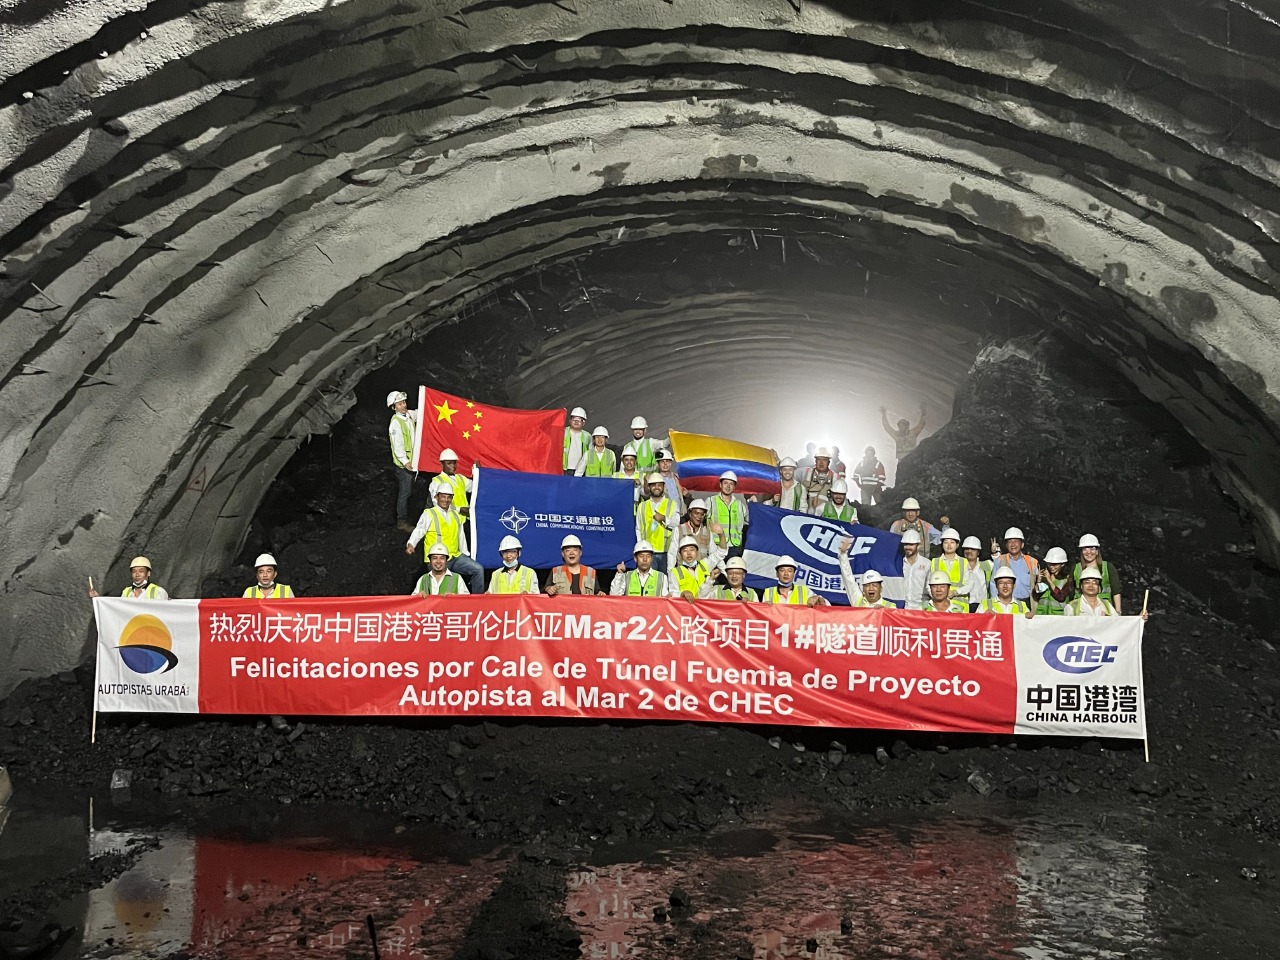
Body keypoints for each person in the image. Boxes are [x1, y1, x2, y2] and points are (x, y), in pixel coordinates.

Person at [405, 481, 485, 593]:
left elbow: (460, 536)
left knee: (478, 570)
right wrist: (411, 543)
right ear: (437, 497)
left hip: (454, 556)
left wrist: (465, 554)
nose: (446, 500)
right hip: (436, 558)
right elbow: (420, 529)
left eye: (449, 497)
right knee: (438, 587)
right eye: (443, 496)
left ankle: (478, 603)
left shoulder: (456, 515)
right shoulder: (429, 513)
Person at [387, 390, 418, 532]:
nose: (403, 405)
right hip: (404, 466)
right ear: (393, 407)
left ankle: (413, 514)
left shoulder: (408, 416)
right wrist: (405, 462)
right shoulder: (395, 423)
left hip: (414, 462)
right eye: (399, 404)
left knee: (411, 490)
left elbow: (419, 413)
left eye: (404, 402)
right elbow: (397, 446)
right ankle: (402, 521)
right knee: (405, 492)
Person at [636, 473, 679, 572]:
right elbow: (638, 529)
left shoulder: (671, 504)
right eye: (653, 485)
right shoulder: (642, 506)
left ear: (663, 487)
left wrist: (664, 518)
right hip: (648, 552)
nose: (656, 487)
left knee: (665, 581)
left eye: (659, 485)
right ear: (649, 487)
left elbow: (677, 524)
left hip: (666, 551)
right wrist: (641, 550)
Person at [1065, 567, 1147, 619]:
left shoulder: (1106, 605)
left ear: (1099, 588)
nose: (1091, 585)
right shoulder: (1072, 607)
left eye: (1095, 582)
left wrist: (1139, 619)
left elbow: (1118, 625)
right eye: (1087, 582)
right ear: (1081, 586)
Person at [836, 537, 894, 608]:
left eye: (874, 585)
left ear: (881, 588)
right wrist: (843, 554)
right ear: (863, 589)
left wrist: (885, 612)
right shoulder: (857, 601)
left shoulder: (890, 607)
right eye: (867, 585)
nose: (871, 588)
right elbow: (848, 578)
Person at [1073, 534, 1124, 613]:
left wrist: (1118, 612)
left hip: (1103, 611)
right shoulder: (1076, 568)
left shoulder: (1108, 567)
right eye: (1085, 549)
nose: (1088, 552)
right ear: (1081, 551)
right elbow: (1071, 591)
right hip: (1081, 611)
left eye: (1092, 548)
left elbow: (1116, 591)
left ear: (1097, 551)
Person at [989, 527, 1038, 603]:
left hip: (1028, 603)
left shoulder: (1032, 562)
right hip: (1006, 602)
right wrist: (994, 603)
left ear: (1022, 544)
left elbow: (1038, 584)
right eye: (1010, 541)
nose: (1013, 544)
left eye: (1016, 541)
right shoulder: (1000, 560)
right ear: (1006, 545)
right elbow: (993, 583)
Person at [708, 470, 750, 557]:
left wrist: (753, 504)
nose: (728, 486)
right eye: (725, 483)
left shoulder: (739, 504)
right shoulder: (711, 501)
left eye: (731, 484)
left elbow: (751, 520)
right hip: (717, 546)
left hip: (735, 548)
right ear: (720, 485)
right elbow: (700, 518)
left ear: (734, 487)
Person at [89, 556, 169, 600]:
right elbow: (116, 608)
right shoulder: (126, 592)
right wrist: (98, 599)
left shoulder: (158, 592)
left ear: (148, 573)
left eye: (141, 571)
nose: (137, 574)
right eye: (134, 571)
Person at [761, 556, 828, 606]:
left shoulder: (804, 591)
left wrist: (818, 599)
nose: (786, 573)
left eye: (790, 571)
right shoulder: (768, 592)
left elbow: (827, 606)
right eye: (782, 570)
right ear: (777, 574)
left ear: (794, 574)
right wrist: (764, 607)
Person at [673, 499, 717, 565]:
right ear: (690, 513)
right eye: (696, 513)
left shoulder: (707, 532)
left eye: (702, 514)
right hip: (683, 572)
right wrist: (670, 572)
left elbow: (713, 554)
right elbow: (672, 554)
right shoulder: (679, 530)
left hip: (702, 572)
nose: (699, 517)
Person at [1034, 547, 1075, 616]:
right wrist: (1038, 581)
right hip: (1042, 617)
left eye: (1055, 564)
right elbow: (1035, 596)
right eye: (1049, 563)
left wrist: (1049, 580)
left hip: (1058, 618)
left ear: (1062, 564)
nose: (1051, 567)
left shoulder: (1067, 579)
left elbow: (1061, 597)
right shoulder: (1044, 577)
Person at [434, 448, 472, 518]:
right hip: (450, 519)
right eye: (449, 463)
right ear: (442, 464)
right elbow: (437, 504)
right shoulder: (436, 481)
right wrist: (459, 510)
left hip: (465, 519)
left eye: (454, 463)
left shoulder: (460, 478)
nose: (453, 466)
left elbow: (475, 487)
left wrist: (477, 472)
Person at [928, 528, 965, 599]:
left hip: (960, 606)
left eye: (952, 542)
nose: (949, 545)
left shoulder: (964, 562)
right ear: (942, 544)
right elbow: (928, 584)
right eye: (946, 542)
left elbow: (970, 584)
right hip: (939, 606)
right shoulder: (935, 562)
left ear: (957, 545)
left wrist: (956, 592)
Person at [959, 535, 992, 611]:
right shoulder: (958, 565)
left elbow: (999, 565)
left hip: (982, 606)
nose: (969, 551)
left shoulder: (987, 565)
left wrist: (995, 553)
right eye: (967, 549)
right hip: (964, 605)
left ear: (978, 552)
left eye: (973, 549)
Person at [899, 529, 929, 609]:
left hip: (921, 608)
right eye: (906, 544)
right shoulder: (899, 563)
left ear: (918, 546)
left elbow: (930, 587)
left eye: (911, 545)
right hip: (903, 608)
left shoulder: (927, 564)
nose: (908, 547)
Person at [563, 406, 590, 476]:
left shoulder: (587, 436)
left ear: (583, 423)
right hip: (565, 468)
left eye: (580, 420)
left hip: (581, 469)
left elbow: (591, 452)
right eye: (574, 419)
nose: (576, 421)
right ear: (570, 421)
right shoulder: (563, 432)